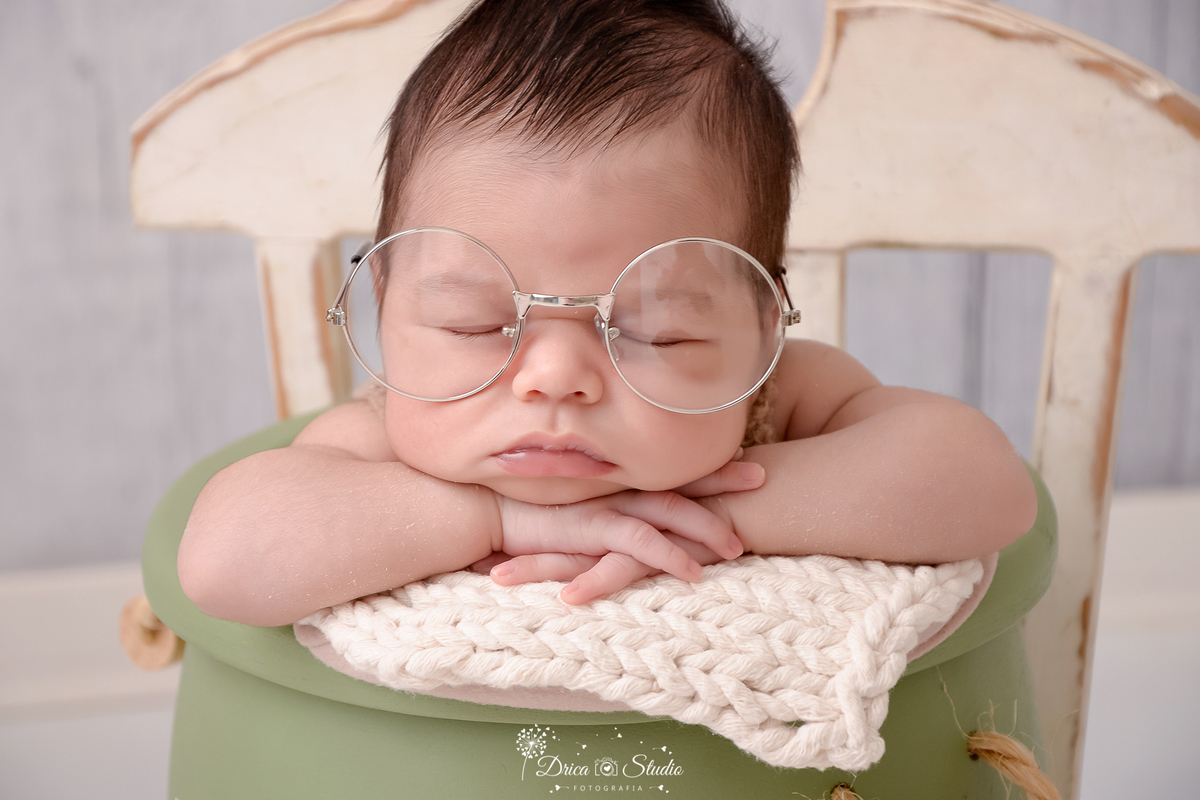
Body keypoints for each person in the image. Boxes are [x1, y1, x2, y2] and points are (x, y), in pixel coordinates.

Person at [178, 0, 1037, 628]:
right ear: (387, 306)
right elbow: (222, 562)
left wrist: (724, 515)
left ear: (763, 331)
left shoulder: (779, 409)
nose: (553, 378)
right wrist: (500, 518)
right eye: (475, 324)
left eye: (657, 331)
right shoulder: (381, 448)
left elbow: (990, 488)